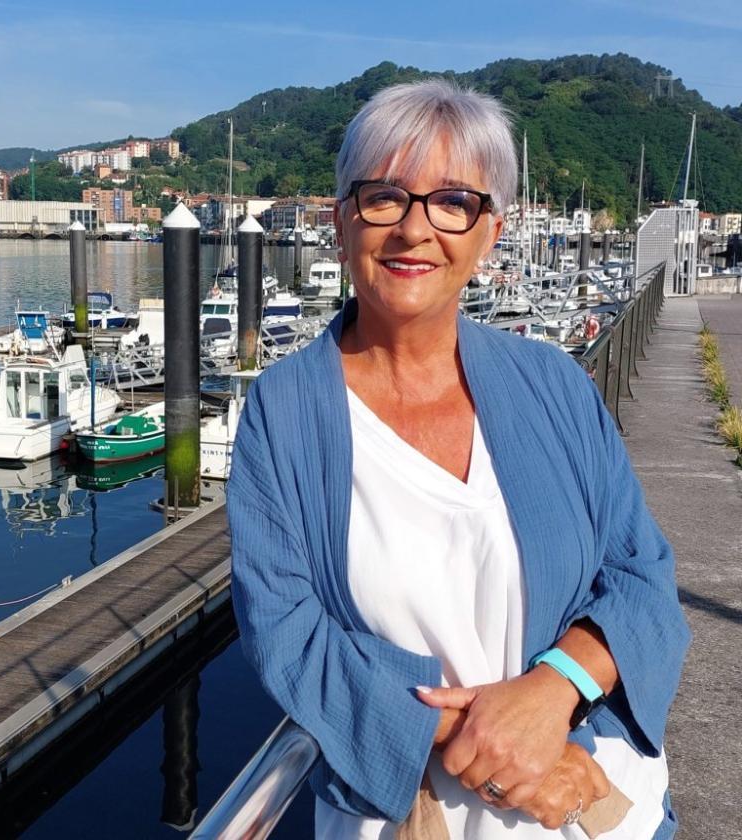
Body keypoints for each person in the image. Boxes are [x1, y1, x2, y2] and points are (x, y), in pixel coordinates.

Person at [228, 79, 688, 839]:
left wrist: (552, 692)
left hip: (596, 802)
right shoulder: (286, 412)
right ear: (342, 223)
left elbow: (643, 575)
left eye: (453, 202)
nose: (415, 230)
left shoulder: (551, 384)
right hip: (412, 816)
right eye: (384, 197)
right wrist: (491, 741)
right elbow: (287, 633)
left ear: (490, 232)